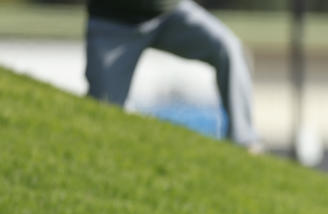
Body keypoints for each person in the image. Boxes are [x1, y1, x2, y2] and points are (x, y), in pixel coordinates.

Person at [85, 0, 260, 150]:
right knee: (104, 111)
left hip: (169, 13)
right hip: (113, 22)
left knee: (229, 48)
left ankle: (244, 142)